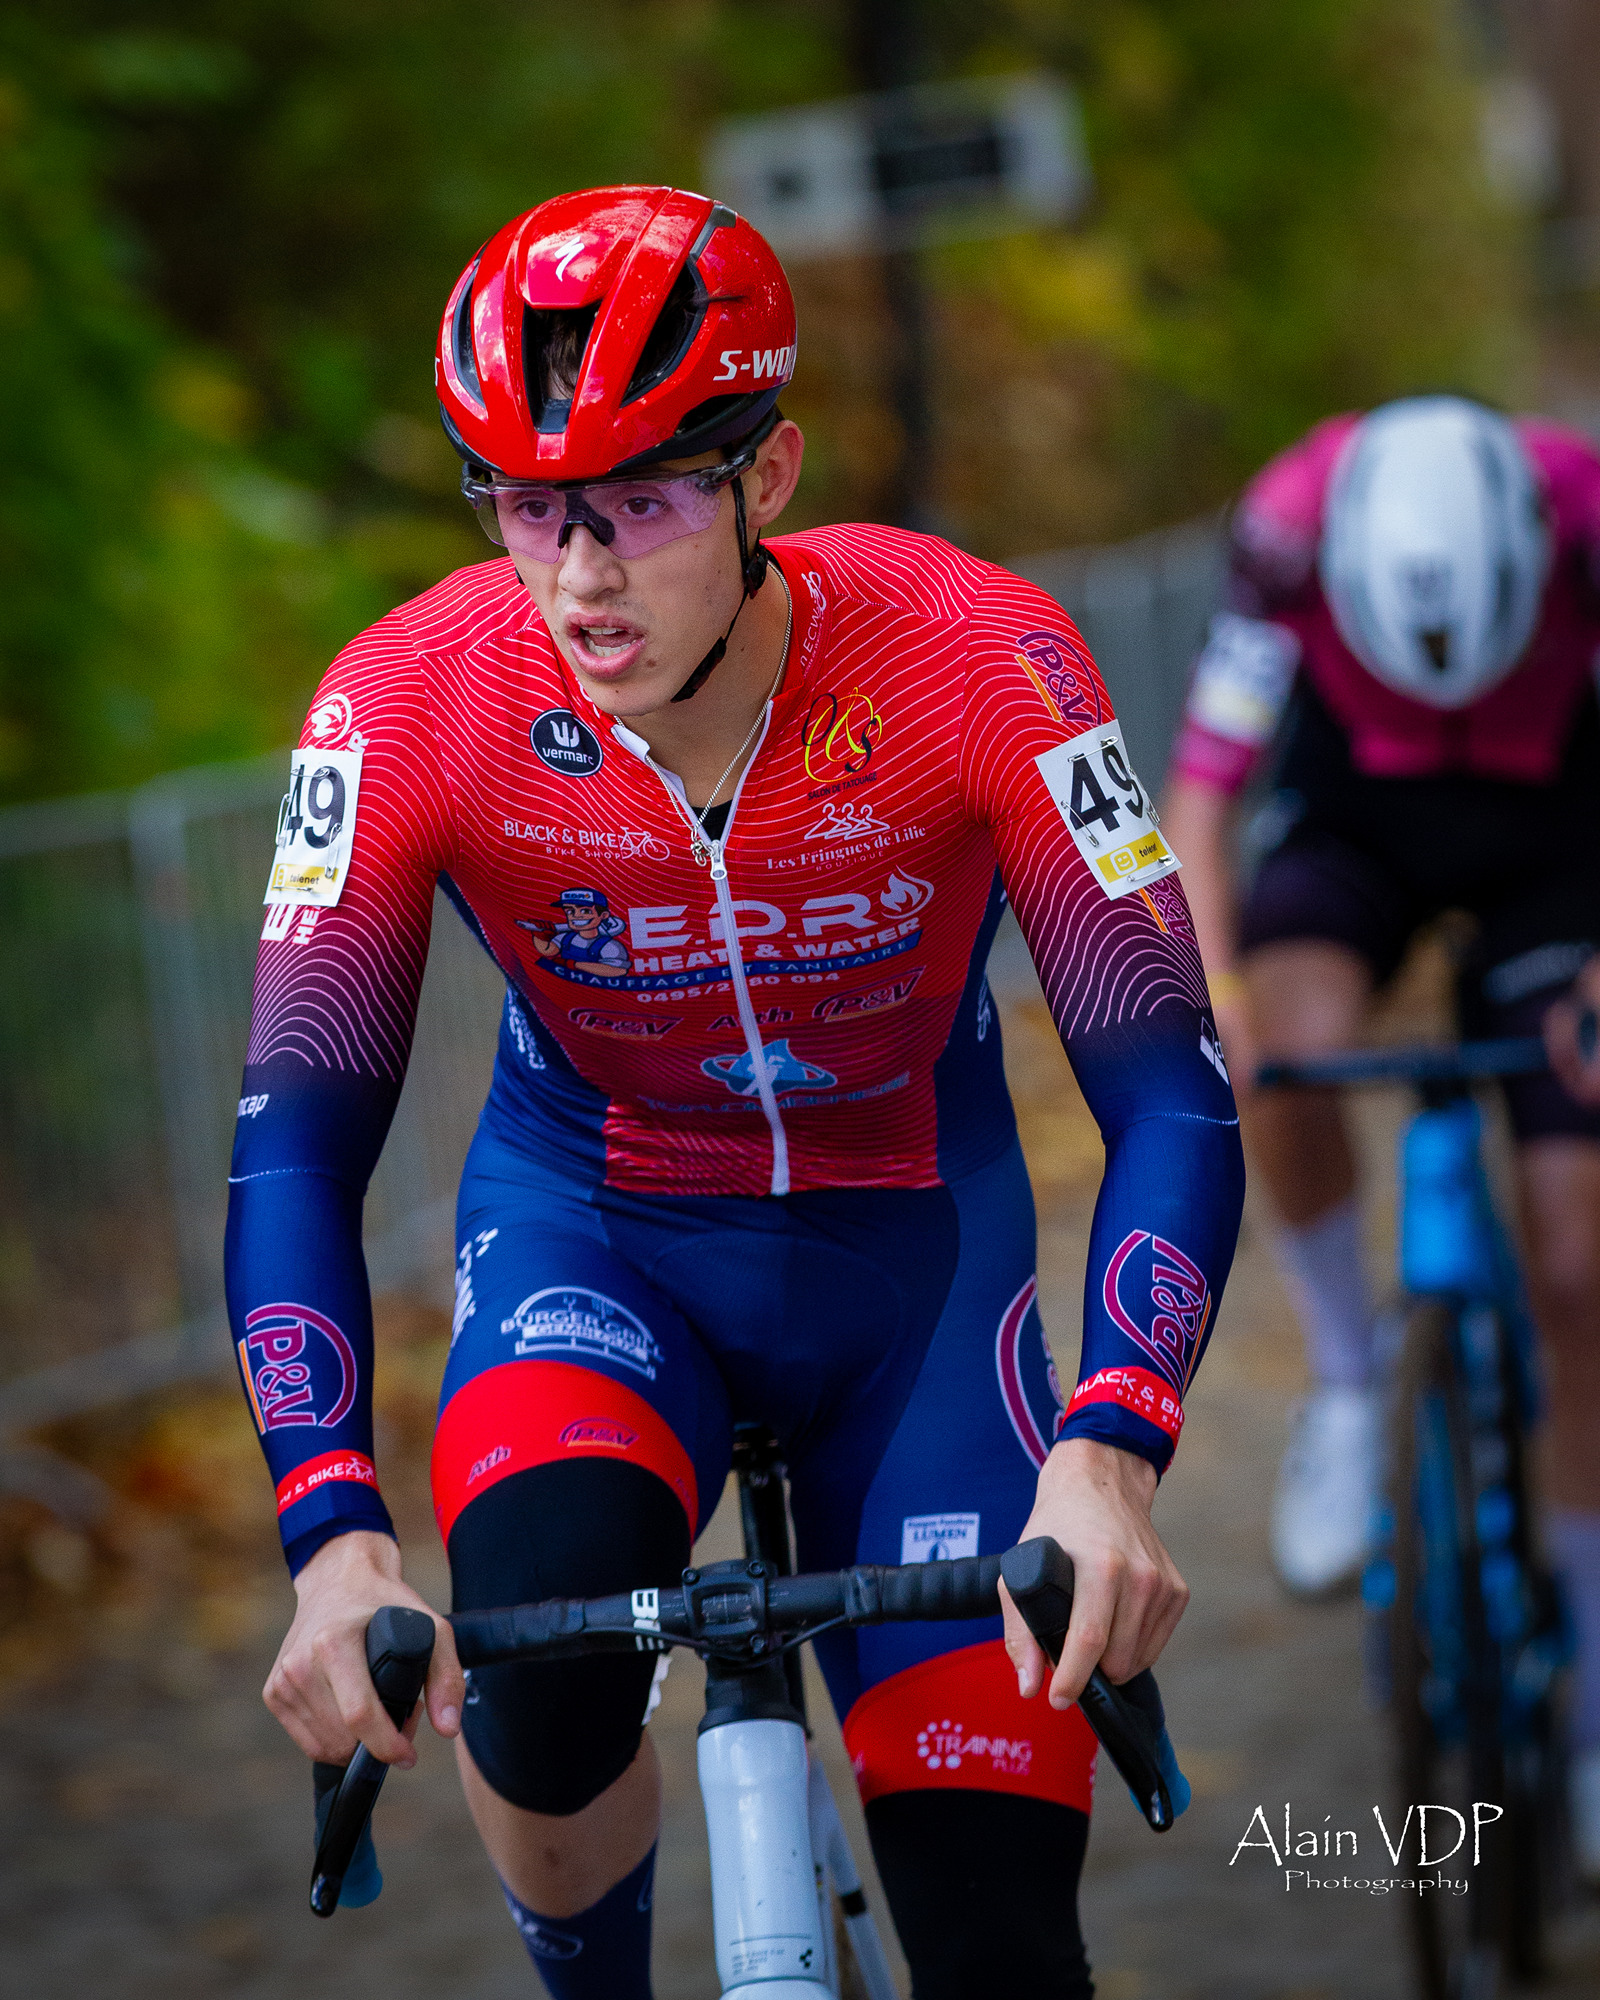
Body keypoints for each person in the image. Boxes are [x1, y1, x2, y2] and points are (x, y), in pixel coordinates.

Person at [227, 185, 1244, 1997]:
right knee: (533, 1637)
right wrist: (329, 1537)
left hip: (911, 1268)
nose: (579, 577)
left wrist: (1111, 1450)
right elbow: (295, 1146)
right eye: (529, 507)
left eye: (640, 502)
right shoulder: (406, 705)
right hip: (597, 1243)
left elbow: (1171, 1092)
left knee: (1001, 1930)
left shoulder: (977, 658)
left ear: (768, 477)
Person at [1159, 394, 1600, 1864]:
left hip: (1562, 840)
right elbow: (1205, 807)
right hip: (1361, 823)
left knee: (1580, 1270)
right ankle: (1350, 1390)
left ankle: (1596, 1698)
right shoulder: (1286, 526)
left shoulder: (1585, 513)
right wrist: (1206, 987)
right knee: (1282, 1042)